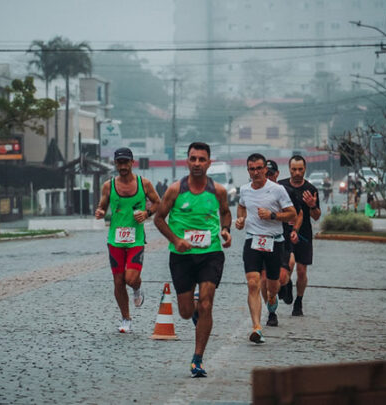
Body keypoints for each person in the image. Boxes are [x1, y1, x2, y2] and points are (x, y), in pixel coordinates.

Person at [154, 142, 232, 378]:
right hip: (181, 257)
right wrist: (176, 240)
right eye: (193, 159)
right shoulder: (175, 190)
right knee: (186, 312)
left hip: (211, 253)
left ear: (209, 162)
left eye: (201, 159)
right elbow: (158, 219)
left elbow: (226, 212)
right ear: (187, 161)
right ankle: (196, 310)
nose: (197, 163)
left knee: (207, 302)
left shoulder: (218, 190)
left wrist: (226, 230)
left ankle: (197, 359)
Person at [95, 147, 161, 333]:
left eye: (126, 162)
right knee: (118, 281)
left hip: (136, 239)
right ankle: (126, 319)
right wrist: (100, 212)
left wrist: (146, 213)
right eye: (119, 163)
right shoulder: (108, 186)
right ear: (115, 164)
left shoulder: (144, 184)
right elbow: (102, 206)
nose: (123, 166)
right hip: (115, 240)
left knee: (130, 278)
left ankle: (137, 289)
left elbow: (158, 202)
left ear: (132, 163)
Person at [235, 154, 296, 343]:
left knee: (272, 286)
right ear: (248, 171)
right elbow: (241, 206)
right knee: (253, 283)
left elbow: (291, 214)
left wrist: (272, 215)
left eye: (259, 168)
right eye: (251, 169)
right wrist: (240, 219)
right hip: (252, 241)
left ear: (265, 169)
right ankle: (256, 327)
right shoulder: (245, 190)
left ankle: (272, 299)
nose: (256, 172)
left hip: (274, 241)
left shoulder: (277, 190)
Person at [278, 155, 321, 317]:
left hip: (304, 235)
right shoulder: (280, 186)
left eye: (300, 169)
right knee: (286, 267)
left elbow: (317, 216)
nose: (297, 173)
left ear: (305, 169)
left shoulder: (311, 190)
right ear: (289, 169)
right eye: (294, 169)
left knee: (302, 271)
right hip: (284, 234)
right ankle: (286, 284)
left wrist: (312, 205)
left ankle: (299, 301)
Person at [259, 159, 301, 327]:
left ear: (277, 174)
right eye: (265, 173)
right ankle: (271, 312)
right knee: (263, 279)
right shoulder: (255, 191)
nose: (268, 176)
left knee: (280, 278)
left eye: (271, 174)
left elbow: (298, 214)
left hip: (281, 238)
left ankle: (286, 284)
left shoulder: (287, 191)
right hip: (261, 239)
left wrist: (295, 230)